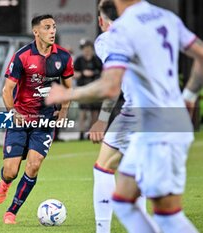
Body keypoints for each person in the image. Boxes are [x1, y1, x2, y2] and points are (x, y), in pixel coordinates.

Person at [46, 0, 203, 232]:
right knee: (125, 199)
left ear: (102, 19)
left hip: (141, 116)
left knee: (109, 171)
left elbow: (110, 86)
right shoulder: (166, 17)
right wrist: (189, 97)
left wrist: (68, 94)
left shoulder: (115, 34)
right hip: (173, 118)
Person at [0, 14, 74, 225]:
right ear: (36, 31)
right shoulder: (22, 56)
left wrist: (64, 110)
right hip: (20, 118)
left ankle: (11, 212)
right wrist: (13, 114)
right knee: (11, 171)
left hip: (45, 121)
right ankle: (4, 182)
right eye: (47, 27)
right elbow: (7, 90)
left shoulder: (63, 57)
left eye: (54, 27)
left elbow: (68, 89)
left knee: (34, 165)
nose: (52, 31)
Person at [90, 1, 146, 232]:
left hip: (137, 110)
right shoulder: (145, 32)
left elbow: (112, 81)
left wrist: (103, 119)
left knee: (103, 167)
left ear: (101, 20)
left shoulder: (106, 40)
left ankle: (103, 230)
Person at [74, 39, 103, 140]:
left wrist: (93, 73)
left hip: (95, 89)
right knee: (83, 112)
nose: (87, 51)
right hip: (83, 88)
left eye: (89, 48)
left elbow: (103, 73)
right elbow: (73, 74)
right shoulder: (79, 60)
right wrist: (83, 73)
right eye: (85, 49)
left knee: (95, 112)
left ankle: (92, 133)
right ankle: (81, 134)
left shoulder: (96, 60)